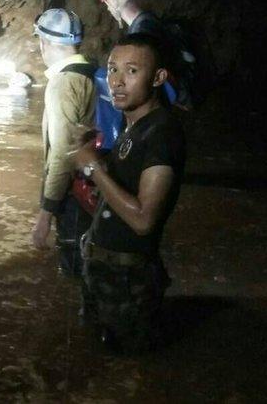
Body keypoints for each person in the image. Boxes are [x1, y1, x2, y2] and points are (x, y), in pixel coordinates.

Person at [73, 32, 186, 354]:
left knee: (129, 364)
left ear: (158, 77)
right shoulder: (134, 124)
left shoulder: (162, 133)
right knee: (97, 361)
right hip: (104, 269)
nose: (117, 81)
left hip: (128, 279)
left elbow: (143, 220)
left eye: (132, 71)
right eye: (112, 69)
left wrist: (94, 169)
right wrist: (96, 159)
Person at [29, 9, 96, 276]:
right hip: (96, 185)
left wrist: (45, 215)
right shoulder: (91, 70)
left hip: (75, 194)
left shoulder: (64, 84)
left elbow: (62, 153)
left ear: (44, 43)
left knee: (75, 271)